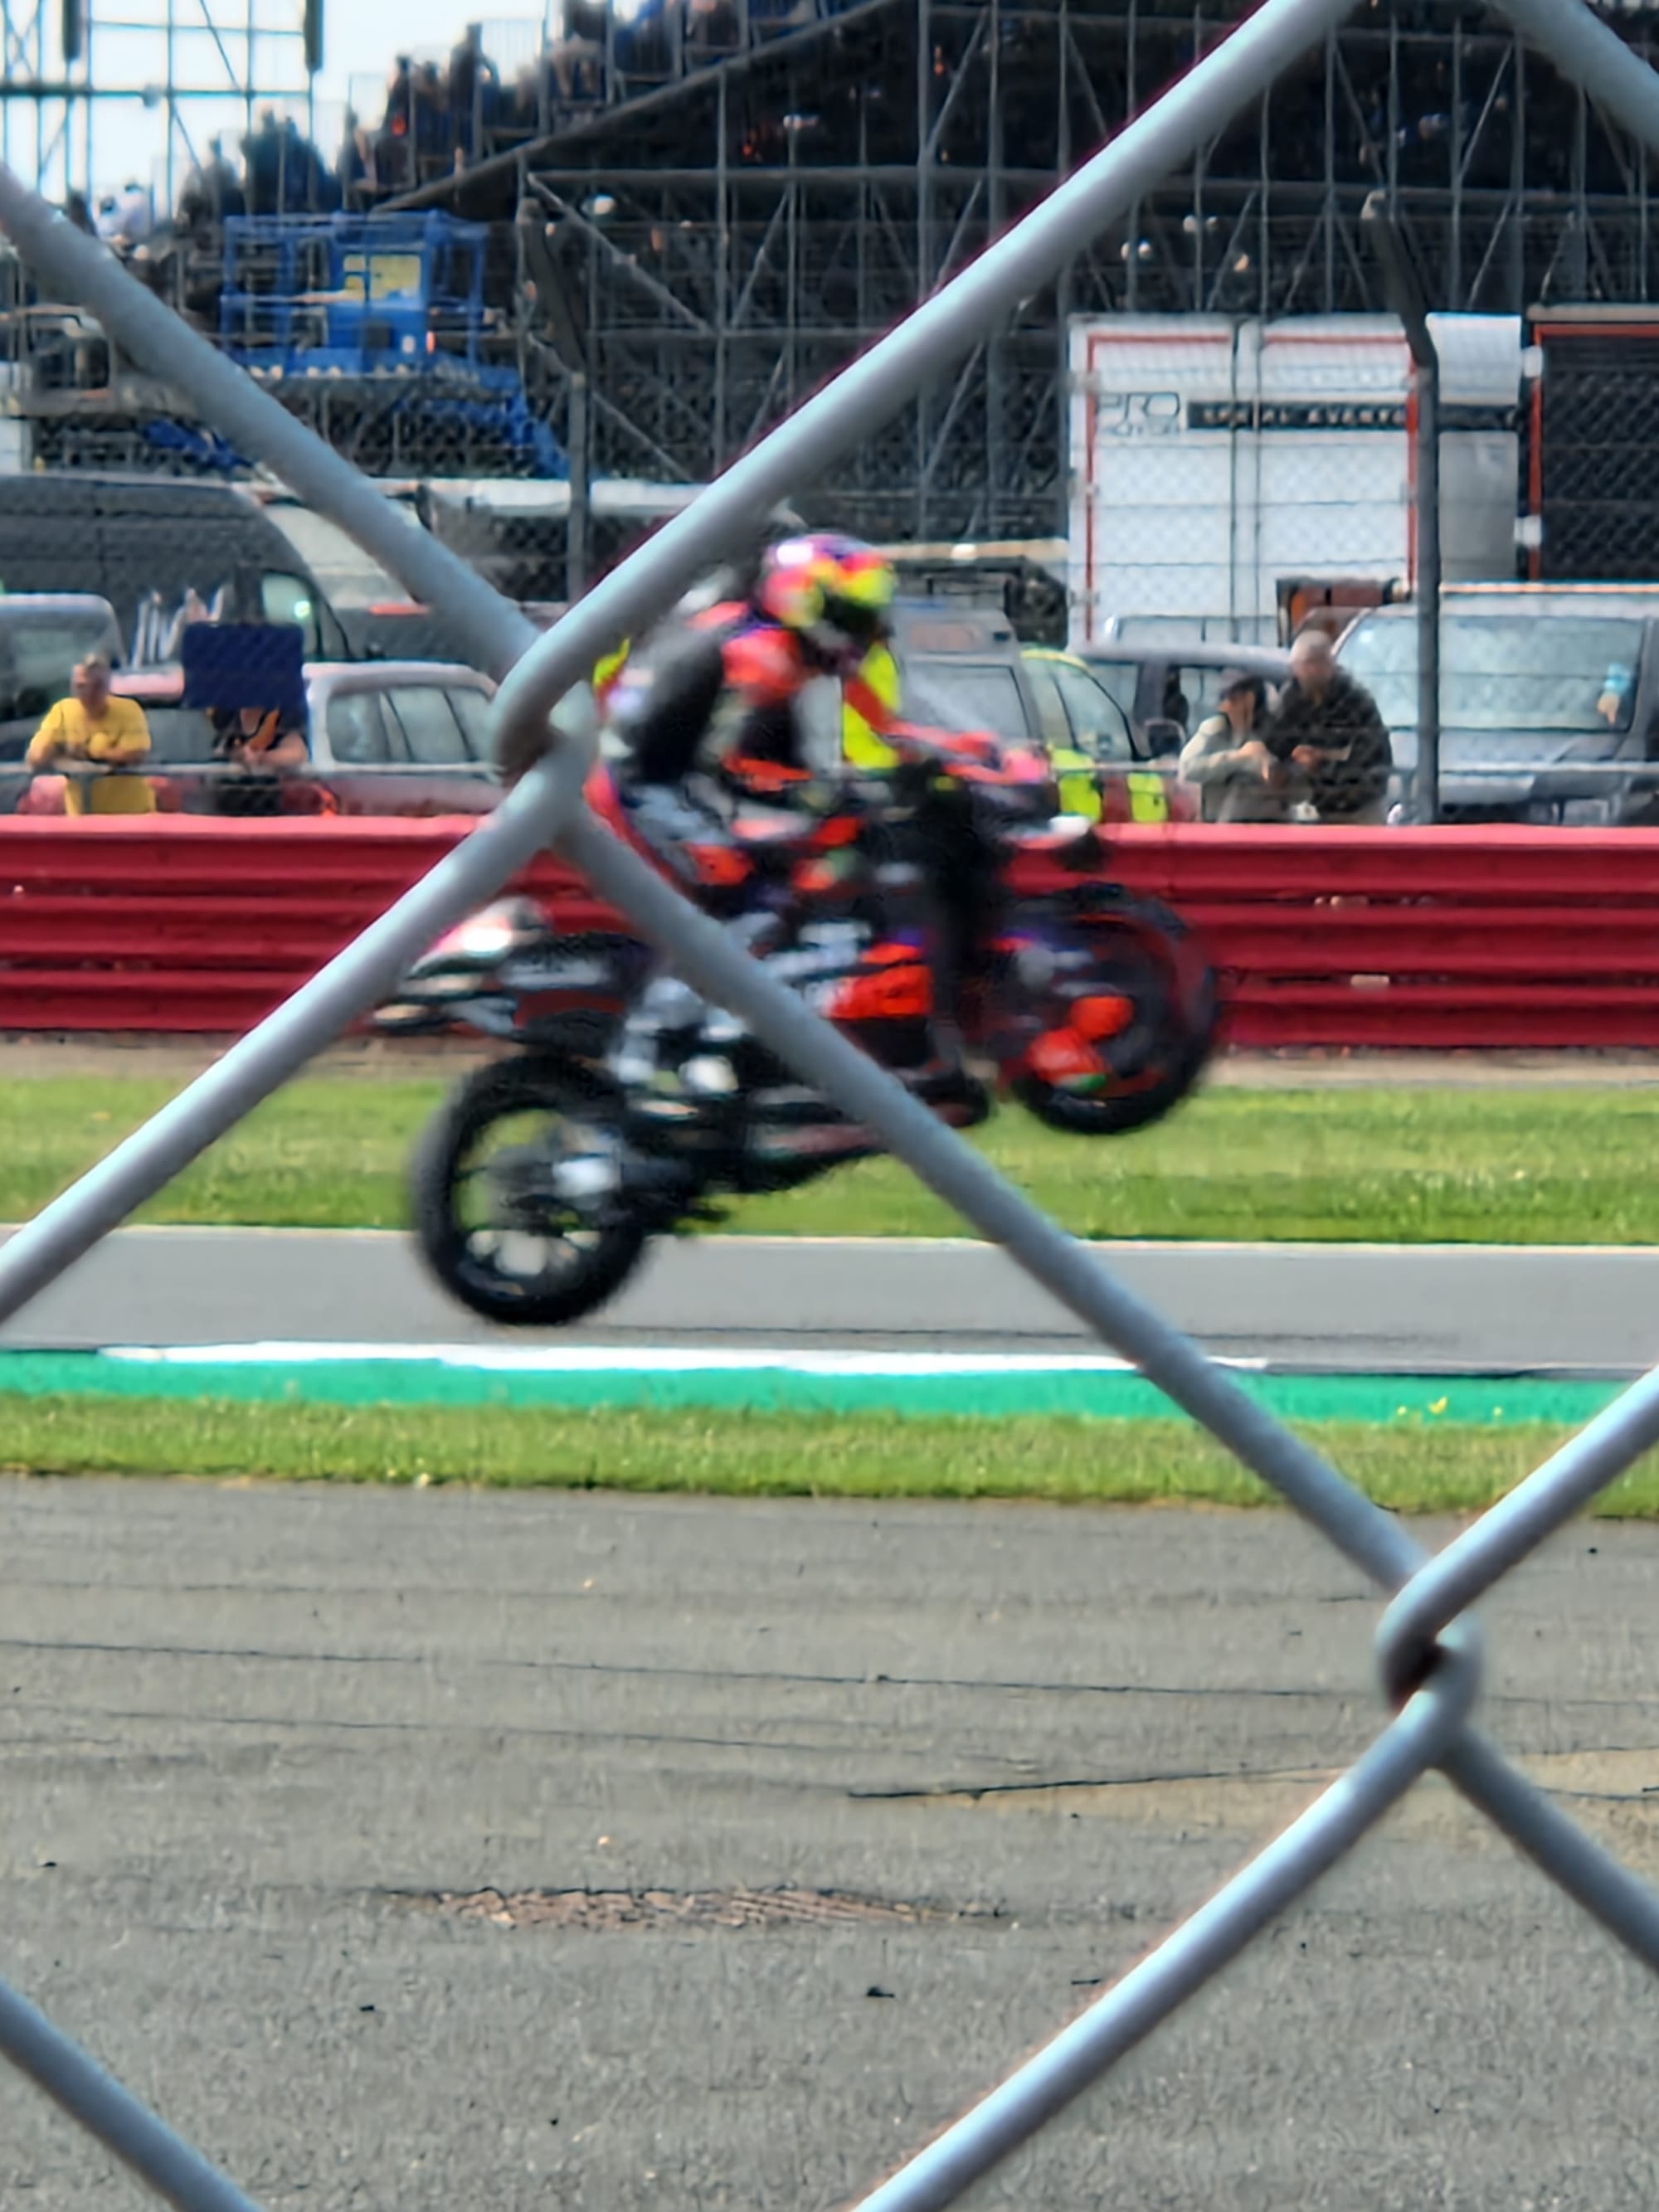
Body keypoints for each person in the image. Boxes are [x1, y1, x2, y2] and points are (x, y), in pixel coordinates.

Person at [1264, 628, 1393, 826]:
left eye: (1308, 665)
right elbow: (1275, 743)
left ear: (1326, 664)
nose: (1301, 673)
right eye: (1297, 667)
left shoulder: (1355, 700)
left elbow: (1372, 762)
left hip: (1359, 806)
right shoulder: (1291, 698)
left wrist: (1321, 764)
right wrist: (1277, 768)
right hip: (1314, 805)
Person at [25, 655, 156, 816]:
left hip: (130, 816)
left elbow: (136, 753)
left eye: (97, 686)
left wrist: (92, 753)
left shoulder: (129, 710)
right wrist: (58, 749)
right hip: (81, 818)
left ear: (108, 686)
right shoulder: (63, 711)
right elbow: (36, 757)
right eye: (81, 686)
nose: (89, 693)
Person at [1179, 669, 1290, 823]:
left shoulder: (1273, 733)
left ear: (1250, 700)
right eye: (1224, 699)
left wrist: (1265, 763)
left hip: (1266, 825)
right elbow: (1188, 768)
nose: (1225, 707)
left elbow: (1286, 781)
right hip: (1218, 825)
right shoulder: (1214, 730)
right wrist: (1237, 758)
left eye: (1233, 699)